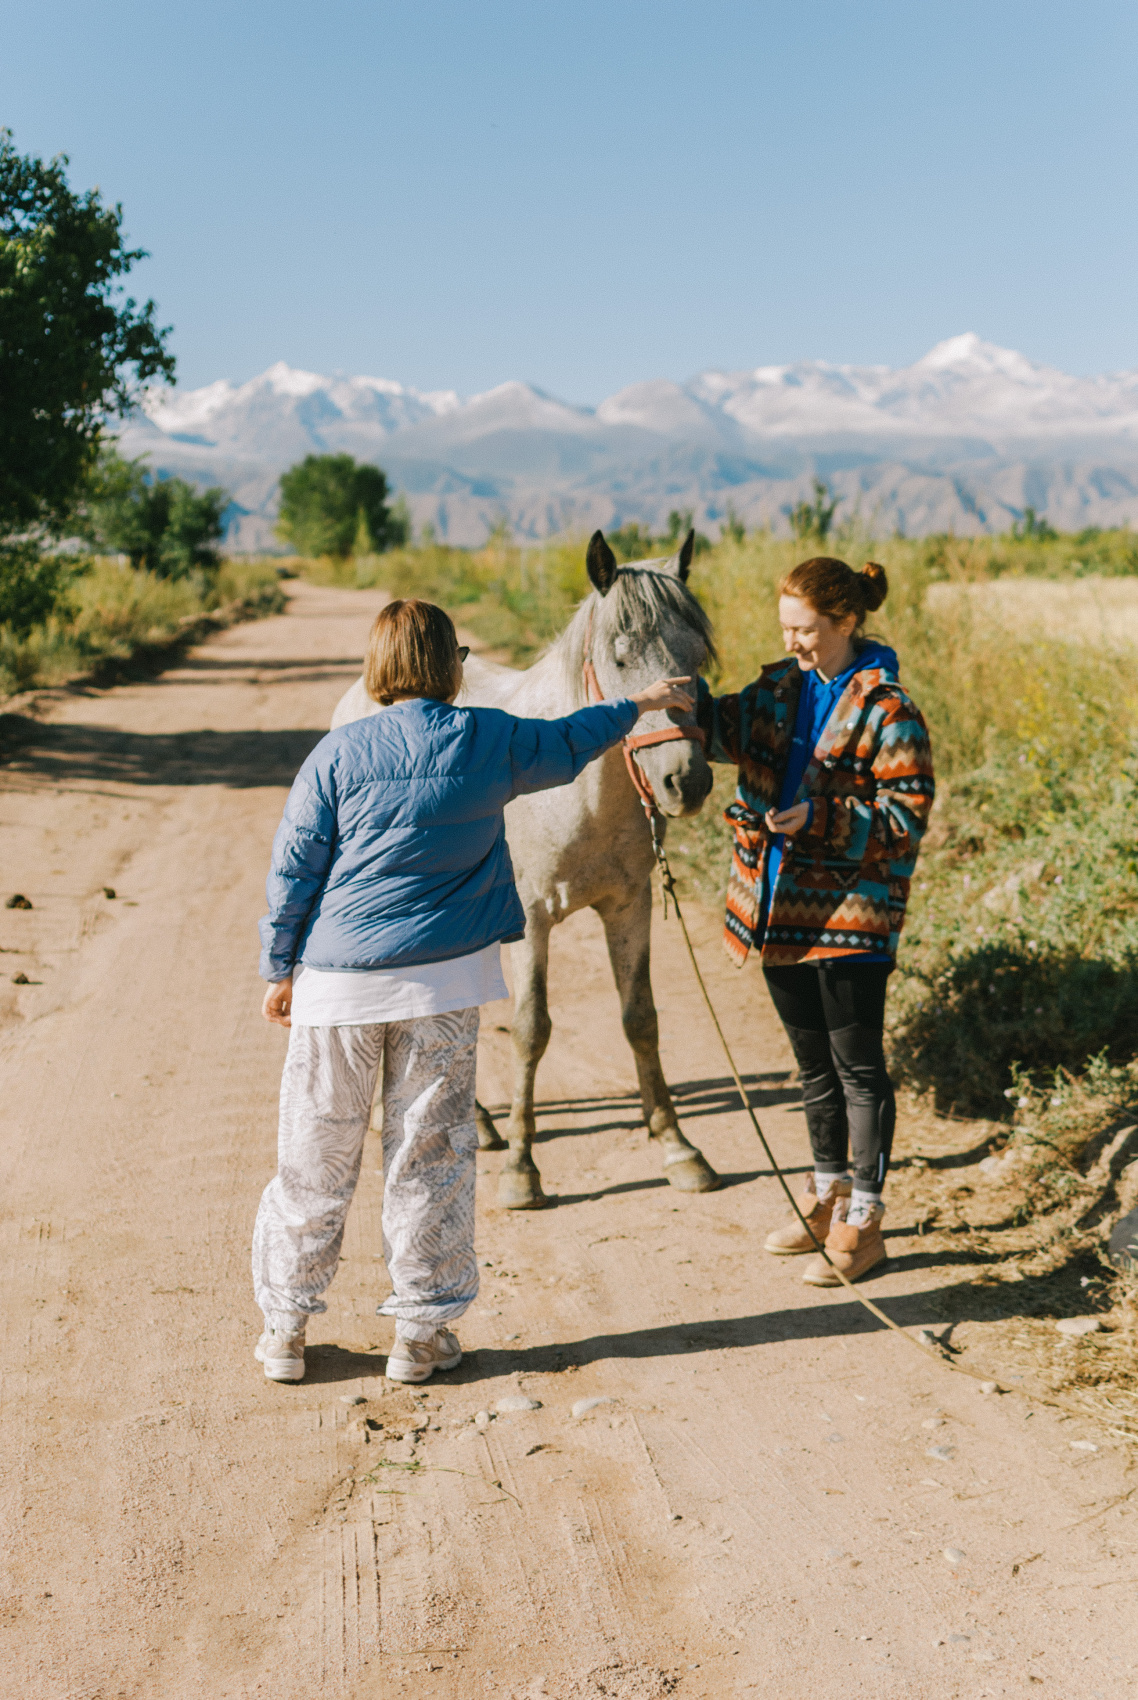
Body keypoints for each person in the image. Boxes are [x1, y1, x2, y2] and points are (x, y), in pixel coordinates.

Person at [253, 597, 693, 1383]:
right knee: (430, 1164)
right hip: (441, 991)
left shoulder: (338, 753)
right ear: (451, 668)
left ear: (377, 667)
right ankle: (419, 1338)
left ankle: (286, 1330)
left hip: (338, 990)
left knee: (314, 1161)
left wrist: (279, 968)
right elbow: (571, 739)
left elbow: (294, 869)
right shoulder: (489, 739)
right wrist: (640, 704)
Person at [697, 557, 934, 1284]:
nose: (792, 642)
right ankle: (826, 1196)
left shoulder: (890, 710)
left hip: (854, 916)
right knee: (812, 1068)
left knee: (858, 1069)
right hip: (775, 909)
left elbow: (906, 818)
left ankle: (866, 1218)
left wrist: (823, 818)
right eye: (785, 628)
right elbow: (713, 727)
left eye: (805, 630)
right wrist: (669, 691)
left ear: (846, 621)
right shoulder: (775, 691)